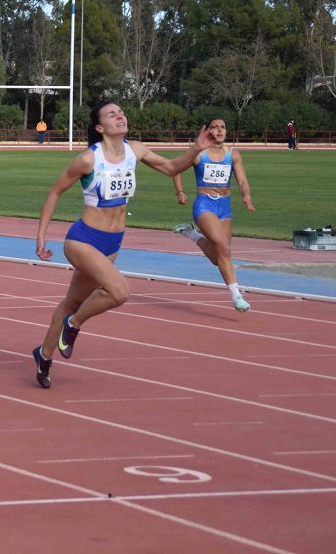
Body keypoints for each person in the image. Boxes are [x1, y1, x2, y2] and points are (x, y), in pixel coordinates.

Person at [31, 101, 211, 389]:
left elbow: (171, 167)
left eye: (121, 112)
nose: (120, 115)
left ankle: (44, 355)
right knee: (119, 291)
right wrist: (41, 236)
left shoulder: (135, 150)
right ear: (100, 127)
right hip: (83, 239)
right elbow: (55, 192)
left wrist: (196, 149)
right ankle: (73, 325)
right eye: (111, 114)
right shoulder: (88, 159)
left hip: (112, 242)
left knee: (72, 302)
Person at [171, 118, 255, 311]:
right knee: (223, 248)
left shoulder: (232, 154)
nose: (219, 130)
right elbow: (176, 169)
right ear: (207, 131)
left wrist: (247, 196)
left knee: (219, 256)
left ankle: (191, 234)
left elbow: (242, 180)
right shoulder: (199, 153)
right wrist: (180, 191)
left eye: (223, 127)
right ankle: (237, 296)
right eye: (214, 127)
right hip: (204, 205)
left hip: (225, 206)